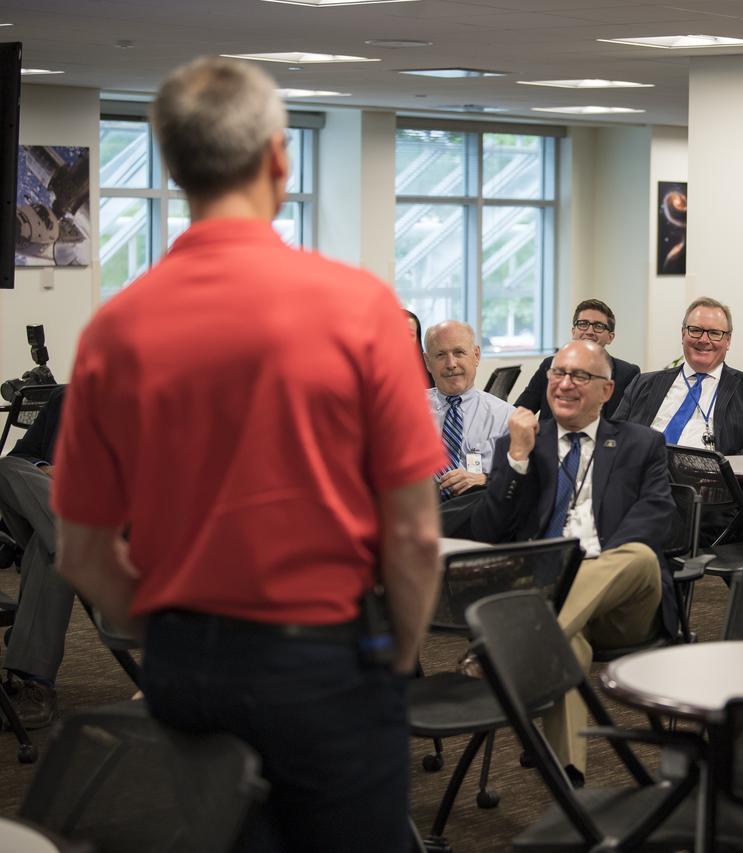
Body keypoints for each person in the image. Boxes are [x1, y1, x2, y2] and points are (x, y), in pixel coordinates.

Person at [50, 56, 445, 853]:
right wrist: (397, 654)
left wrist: (165, 624)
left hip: (183, 665)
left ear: (171, 162)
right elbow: (413, 536)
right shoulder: (358, 306)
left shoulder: (114, 330)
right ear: (277, 156)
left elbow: (84, 553)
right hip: (322, 661)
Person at [471, 340, 674, 785]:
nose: (564, 384)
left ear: (607, 390)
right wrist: (516, 460)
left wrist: (592, 566)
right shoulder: (522, 443)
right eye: (557, 373)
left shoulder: (642, 444)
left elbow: (657, 518)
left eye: (580, 375)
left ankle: (515, 645)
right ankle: (569, 782)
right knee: (567, 644)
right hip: (550, 597)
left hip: (623, 599)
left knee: (637, 554)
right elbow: (490, 530)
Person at [614, 296, 743, 456]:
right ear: (683, 334)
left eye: (714, 333)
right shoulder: (642, 383)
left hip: (711, 480)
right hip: (641, 475)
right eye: (695, 330)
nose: (704, 339)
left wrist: (723, 471)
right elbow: (614, 433)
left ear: (728, 340)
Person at [0, 386, 69, 728]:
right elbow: (21, 458)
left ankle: (36, 685)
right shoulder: (66, 399)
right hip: (58, 516)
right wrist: (43, 468)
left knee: (50, 550)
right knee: (5, 468)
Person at [425, 320, 514, 500]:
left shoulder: (507, 418)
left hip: (478, 516)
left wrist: (485, 479)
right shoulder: (406, 412)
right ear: (427, 362)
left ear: (476, 355)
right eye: (441, 355)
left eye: (459, 353)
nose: (451, 364)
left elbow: (521, 481)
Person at [514, 299, 641, 421]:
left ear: (610, 337)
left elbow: (629, 425)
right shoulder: (549, 365)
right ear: (573, 331)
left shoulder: (628, 373)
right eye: (583, 324)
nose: (590, 331)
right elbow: (520, 411)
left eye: (599, 326)